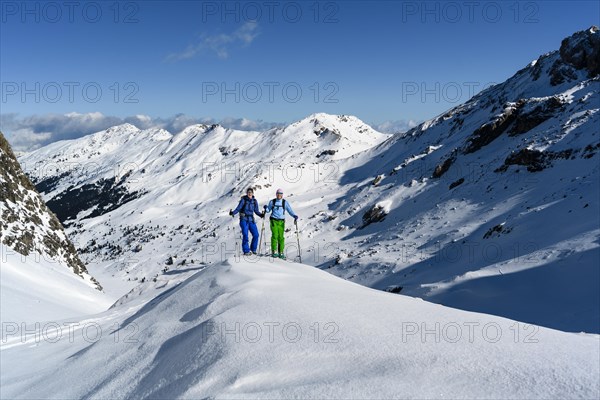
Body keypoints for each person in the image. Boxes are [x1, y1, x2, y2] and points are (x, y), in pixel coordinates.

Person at [263, 188, 298, 259]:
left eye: (280, 194)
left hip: (281, 221)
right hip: (273, 220)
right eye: (278, 194)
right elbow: (268, 210)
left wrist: (294, 215)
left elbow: (289, 210)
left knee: (281, 237)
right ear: (276, 194)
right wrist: (266, 208)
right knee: (275, 235)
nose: (279, 195)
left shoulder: (284, 202)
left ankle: (281, 252)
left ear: (282, 195)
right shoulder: (272, 202)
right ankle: (274, 251)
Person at [230, 187, 264, 255]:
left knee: (256, 235)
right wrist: (233, 213)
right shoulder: (243, 200)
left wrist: (261, 215)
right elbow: (238, 208)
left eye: (250, 192)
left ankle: (253, 249)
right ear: (247, 193)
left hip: (251, 220)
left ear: (252, 193)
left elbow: (256, 211)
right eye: (248, 192)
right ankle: (246, 250)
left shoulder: (254, 201)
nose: (249, 193)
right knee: (245, 235)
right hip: (244, 220)